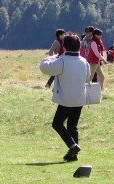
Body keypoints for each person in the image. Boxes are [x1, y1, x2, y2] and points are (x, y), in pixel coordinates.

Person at [39, 32, 91, 161]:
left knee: (57, 124)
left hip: (66, 99)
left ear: (65, 46)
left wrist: (50, 57)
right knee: (72, 126)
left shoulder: (62, 61)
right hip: (80, 98)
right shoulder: (84, 61)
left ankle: (73, 146)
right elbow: (88, 77)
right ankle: (73, 155)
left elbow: (45, 68)